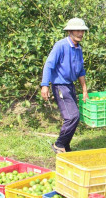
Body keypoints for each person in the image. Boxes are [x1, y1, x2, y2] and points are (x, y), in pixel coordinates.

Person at [40, 18, 89, 154]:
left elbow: (81, 71)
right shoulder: (60, 45)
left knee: (75, 116)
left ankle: (65, 147)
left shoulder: (78, 49)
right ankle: (59, 145)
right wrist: (45, 85)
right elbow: (49, 64)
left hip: (70, 85)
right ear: (70, 31)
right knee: (72, 116)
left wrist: (84, 89)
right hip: (60, 85)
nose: (80, 33)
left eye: (82, 31)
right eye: (77, 30)